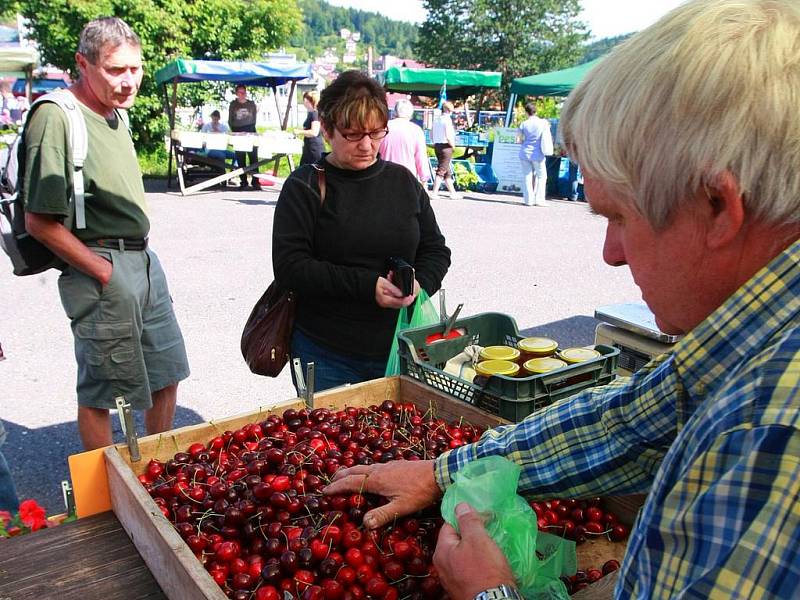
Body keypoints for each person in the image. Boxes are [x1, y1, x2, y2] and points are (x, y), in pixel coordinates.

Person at [325, 1, 800, 598]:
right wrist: (445, 472)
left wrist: (490, 593)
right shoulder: (747, 343)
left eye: (618, 217)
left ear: (717, 207)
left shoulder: (780, 436)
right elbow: (626, 423)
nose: (611, 253)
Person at [21, 17, 190, 451]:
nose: (129, 81)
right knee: (104, 392)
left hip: (144, 262)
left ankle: (153, 475)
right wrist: (101, 271)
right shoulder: (56, 116)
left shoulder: (116, 113)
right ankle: (102, 504)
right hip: (101, 264)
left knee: (166, 374)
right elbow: (38, 221)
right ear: (83, 63)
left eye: (135, 68)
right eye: (116, 70)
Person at [272, 70, 451, 393]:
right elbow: (291, 267)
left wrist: (419, 283)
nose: (367, 145)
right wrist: (367, 286)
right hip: (324, 351)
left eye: (376, 133)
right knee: (323, 441)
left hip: (399, 347)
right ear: (326, 129)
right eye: (353, 134)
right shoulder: (305, 185)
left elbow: (436, 249)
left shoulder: (403, 182)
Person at [379, 99, 429, 183]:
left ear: (394, 112)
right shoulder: (416, 130)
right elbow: (420, 156)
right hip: (407, 177)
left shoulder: (383, 128)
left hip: (383, 175)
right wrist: (424, 177)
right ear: (411, 113)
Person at [516, 102, 553, 207]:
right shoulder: (542, 123)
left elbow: (518, 140)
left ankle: (528, 200)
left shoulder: (523, 124)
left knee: (527, 176)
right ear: (535, 111)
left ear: (526, 112)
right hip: (538, 154)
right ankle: (540, 200)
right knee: (542, 176)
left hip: (524, 153)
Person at [228, 84, 260, 189]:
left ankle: (255, 182)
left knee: (253, 157)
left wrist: (250, 131)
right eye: (240, 92)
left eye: (244, 92)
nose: (242, 95)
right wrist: (235, 132)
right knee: (240, 158)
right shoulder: (233, 104)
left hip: (250, 131)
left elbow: (254, 118)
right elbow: (230, 120)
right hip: (237, 131)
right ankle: (243, 181)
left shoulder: (251, 104)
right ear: (236, 93)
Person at [431, 101, 460, 200]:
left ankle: (453, 192)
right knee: (442, 170)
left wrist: (434, 142)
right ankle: (434, 193)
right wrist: (453, 145)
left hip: (437, 145)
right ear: (448, 110)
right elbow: (448, 135)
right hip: (446, 146)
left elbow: (431, 133)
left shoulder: (436, 119)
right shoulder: (447, 120)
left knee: (446, 171)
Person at [296, 91, 324, 166]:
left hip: (313, 149)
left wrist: (299, 132)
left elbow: (314, 132)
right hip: (309, 147)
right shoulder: (311, 113)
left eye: (305, 99)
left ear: (309, 101)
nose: (304, 101)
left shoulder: (314, 113)